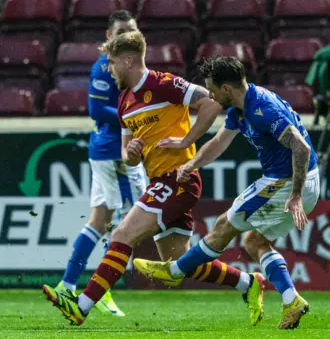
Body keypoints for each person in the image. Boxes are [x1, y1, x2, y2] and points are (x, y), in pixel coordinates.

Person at [43, 31, 263, 326]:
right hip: (158, 180)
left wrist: (186, 141)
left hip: (179, 178)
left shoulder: (164, 84)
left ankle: (81, 305)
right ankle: (247, 283)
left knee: (122, 234)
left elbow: (211, 103)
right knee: (178, 263)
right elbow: (126, 154)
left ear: (129, 60)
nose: (108, 69)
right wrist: (131, 153)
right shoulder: (123, 102)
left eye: (111, 63)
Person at [134, 56, 319, 330]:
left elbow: (301, 148)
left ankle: (175, 270)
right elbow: (219, 142)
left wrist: (294, 194)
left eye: (212, 88)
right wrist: (191, 164)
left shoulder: (261, 109)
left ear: (227, 88)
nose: (210, 94)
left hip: (289, 181)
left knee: (223, 225)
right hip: (301, 181)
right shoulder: (239, 108)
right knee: (254, 242)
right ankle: (292, 301)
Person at [50, 10, 146, 317]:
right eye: (121, 31)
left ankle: (67, 284)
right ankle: (101, 289)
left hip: (108, 150)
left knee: (99, 220)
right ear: (109, 37)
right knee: (127, 220)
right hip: (114, 151)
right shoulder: (105, 66)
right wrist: (133, 115)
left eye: (131, 30)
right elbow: (96, 109)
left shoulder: (134, 64)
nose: (127, 36)